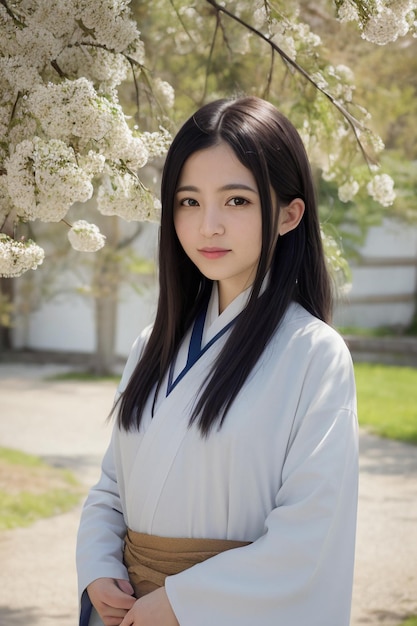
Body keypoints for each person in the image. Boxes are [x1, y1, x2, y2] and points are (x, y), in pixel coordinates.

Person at [76, 96, 358, 626]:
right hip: (129, 608)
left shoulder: (315, 355)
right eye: (188, 201)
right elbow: (112, 488)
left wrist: (187, 602)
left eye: (236, 202)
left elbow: (310, 532)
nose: (208, 226)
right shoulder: (151, 344)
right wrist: (97, 567)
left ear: (289, 215)